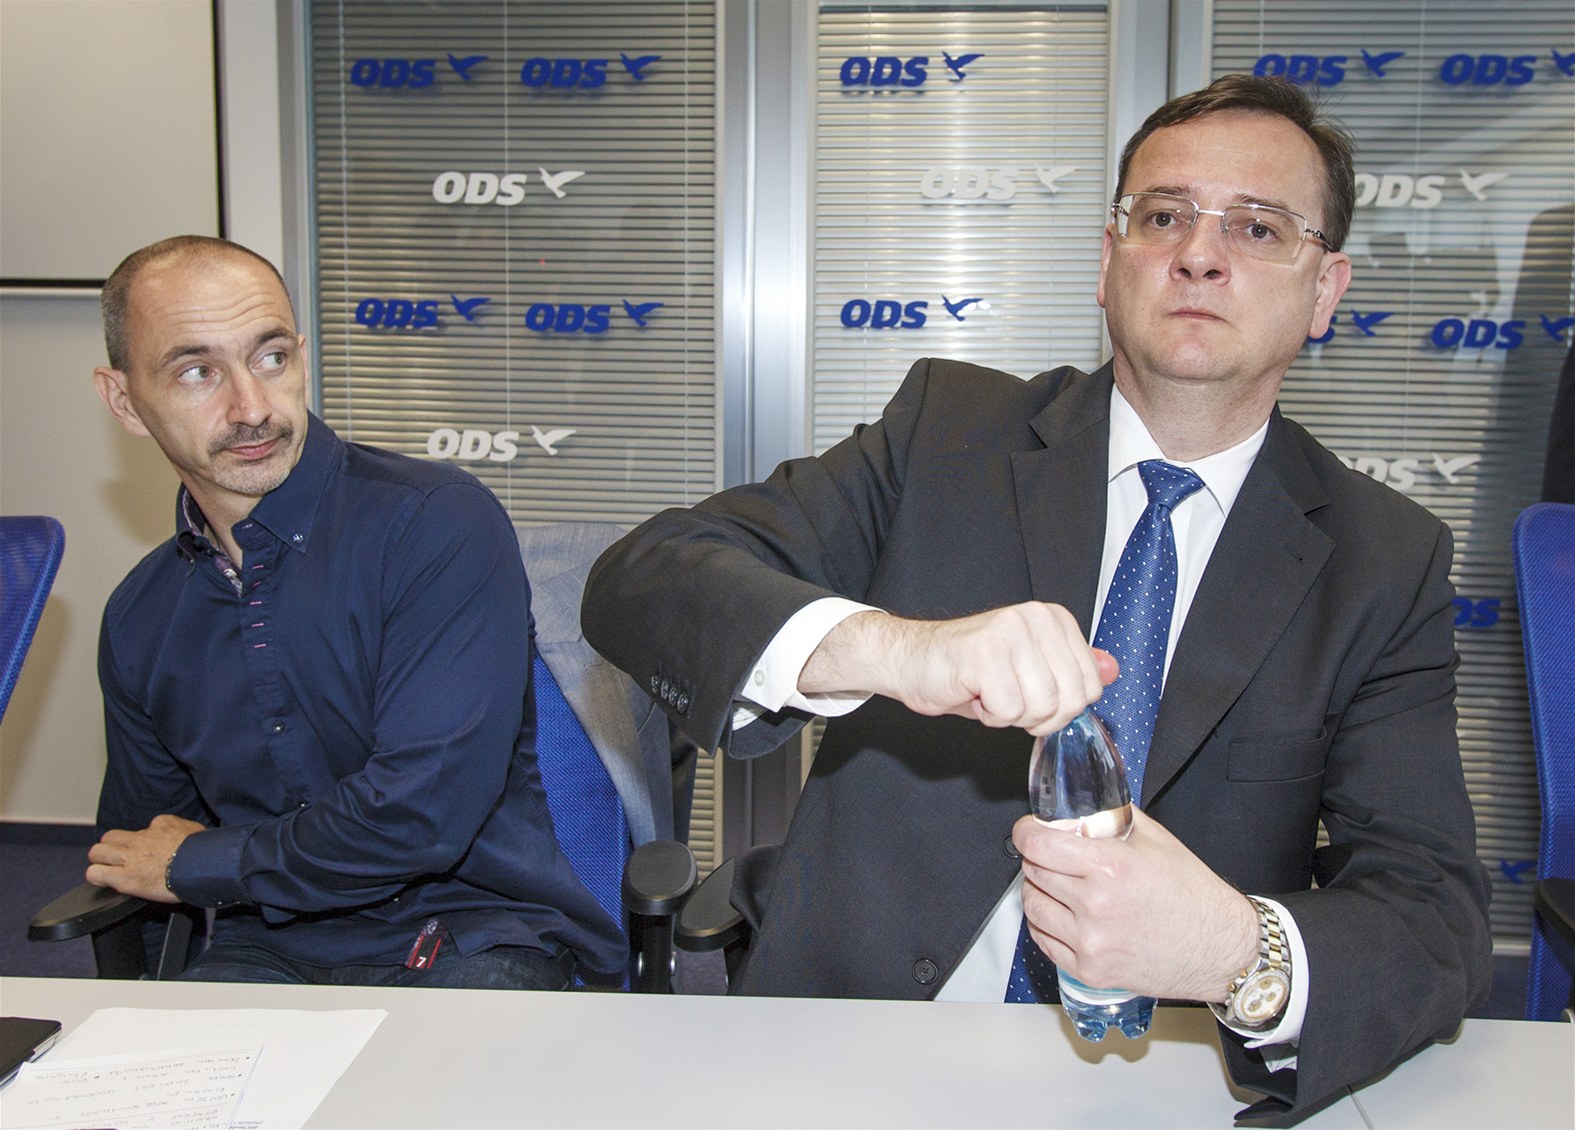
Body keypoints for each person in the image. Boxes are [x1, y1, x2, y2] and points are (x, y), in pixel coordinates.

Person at [582, 75, 1492, 1117]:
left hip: (1157, 1081)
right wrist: (896, 650)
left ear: (1326, 290)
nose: (1199, 254)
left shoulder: (1384, 559)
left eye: (1257, 227)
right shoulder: (945, 433)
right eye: (1163, 216)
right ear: (1109, 262)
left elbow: (1435, 916)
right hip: (848, 1046)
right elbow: (643, 579)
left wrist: (1237, 950)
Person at [86, 235, 624, 989]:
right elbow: (141, 854)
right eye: (198, 372)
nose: (252, 407)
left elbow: (419, 816)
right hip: (265, 950)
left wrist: (201, 862)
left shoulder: (434, 523)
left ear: (302, 358)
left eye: (272, 357)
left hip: (469, 935)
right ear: (124, 401)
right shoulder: (141, 615)